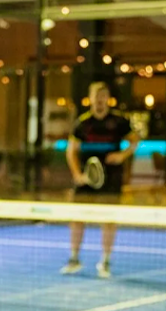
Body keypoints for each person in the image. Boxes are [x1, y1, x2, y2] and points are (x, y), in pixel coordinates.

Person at [61, 81, 140, 278]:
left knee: (109, 220)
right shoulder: (82, 123)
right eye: (97, 96)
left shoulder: (120, 121)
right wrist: (77, 175)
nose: (100, 100)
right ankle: (74, 259)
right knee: (78, 219)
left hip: (112, 178)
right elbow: (71, 151)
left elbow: (135, 141)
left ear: (108, 99)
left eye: (103, 96)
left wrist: (122, 155)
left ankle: (105, 261)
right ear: (91, 99)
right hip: (86, 179)